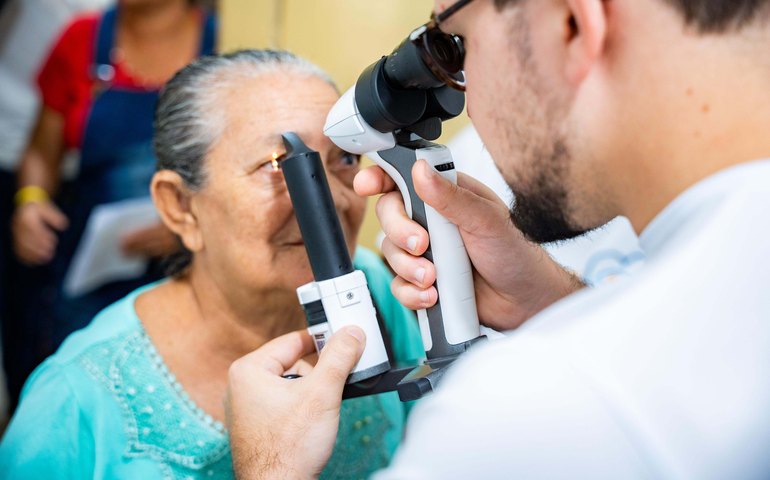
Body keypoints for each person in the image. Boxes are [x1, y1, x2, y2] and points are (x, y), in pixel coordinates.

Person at [225, 0, 770, 478]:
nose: (466, 93)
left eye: (458, 46)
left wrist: (273, 467)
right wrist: (552, 303)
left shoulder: (525, 409)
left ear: (574, 23)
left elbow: (617, 402)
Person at [0, 49, 424, 479]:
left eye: (346, 159)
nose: (332, 199)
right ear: (181, 207)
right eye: (279, 166)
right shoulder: (73, 403)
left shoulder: (371, 287)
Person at [5, 0, 216, 406]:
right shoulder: (82, 39)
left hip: (191, 270)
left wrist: (195, 223)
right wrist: (30, 201)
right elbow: (39, 151)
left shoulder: (224, 40)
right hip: (88, 267)